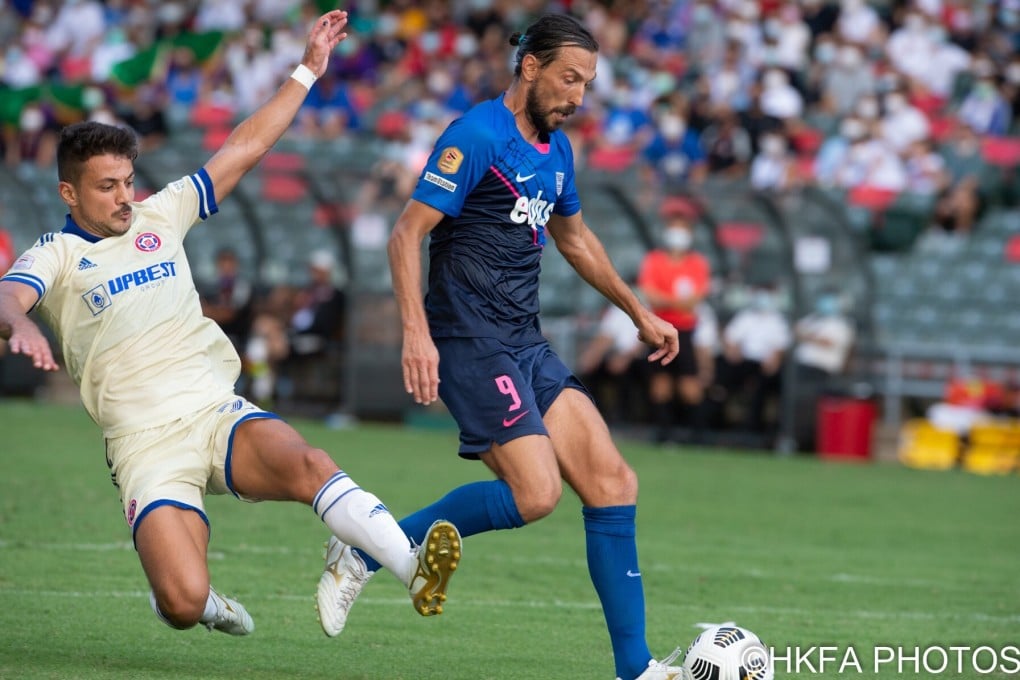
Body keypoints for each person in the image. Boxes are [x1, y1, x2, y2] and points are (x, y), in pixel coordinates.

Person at [0, 10, 460, 641]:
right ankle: (202, 601)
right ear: (68, 194)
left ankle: (409, 567)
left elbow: (245, 145)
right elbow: (8, 298)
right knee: (183, 603)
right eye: (106, 187)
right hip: (145, 446)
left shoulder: (162, 213)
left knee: (309, 462)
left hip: (215, 412)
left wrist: (307, 69)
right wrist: (18, 327)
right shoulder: (54, 255)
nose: (124, 198)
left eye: (128, 182)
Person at [329, 14, 685, 680]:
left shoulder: (557, 152)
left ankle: (636, 669)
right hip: (469, 342)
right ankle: (367, 552)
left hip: (524, 341)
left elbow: (574, 239)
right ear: (530, 67)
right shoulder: (477, 136)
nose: (579, 96)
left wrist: (640, 311)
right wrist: (416, 331)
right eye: (570, 78)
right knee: (537, 494)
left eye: (589, 83)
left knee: (612, 482)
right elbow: (406, 235)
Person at [638, 203, 711, 444]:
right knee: (660, 383)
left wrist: (667, 300)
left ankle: (697, 435)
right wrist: (676, 302)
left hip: (685, 330)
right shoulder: (654, 260)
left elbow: (694, 302)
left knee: (689, 383)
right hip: (658, 329)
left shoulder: (697, 263)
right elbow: (650, 294)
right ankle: (664, 434)